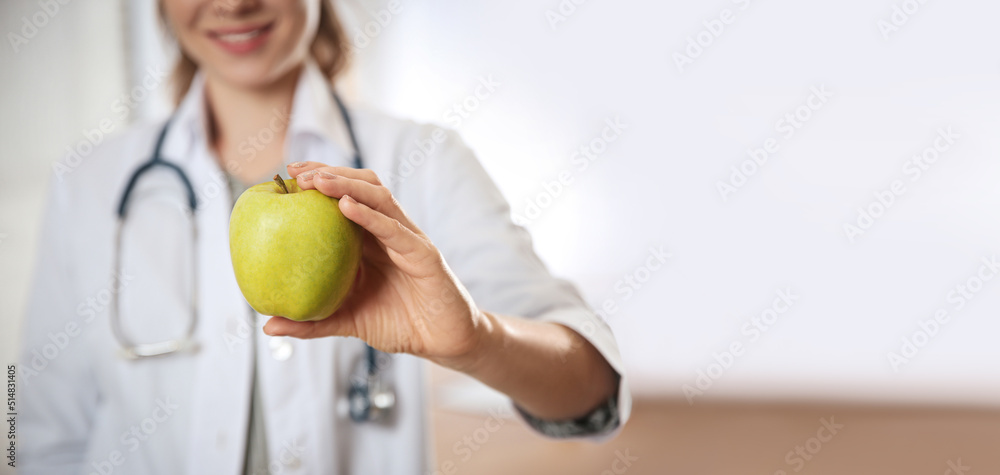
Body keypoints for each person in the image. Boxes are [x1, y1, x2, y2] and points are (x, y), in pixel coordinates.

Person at [18, 0, 630, 473]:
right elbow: (38, 433)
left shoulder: (425, 159)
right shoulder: (89, 183)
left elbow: (592, 392)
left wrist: (475, 340)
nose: (234, 3)